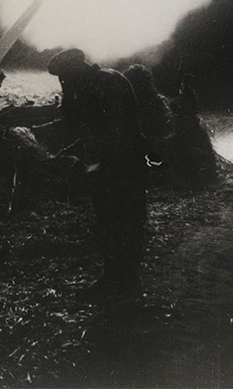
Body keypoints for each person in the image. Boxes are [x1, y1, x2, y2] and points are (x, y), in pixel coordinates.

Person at [47, 48, 148, 302]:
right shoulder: (86, 87)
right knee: (107, 223)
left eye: (66, 78)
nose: (64, 84)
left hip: (124, 165)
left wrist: (91, 164)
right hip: (108, 167)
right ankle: (111, 279)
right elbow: (82, 129)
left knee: (126, 222)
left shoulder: (108, 83)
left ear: (77, 71)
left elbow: (115, 133)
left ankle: (128, 284)